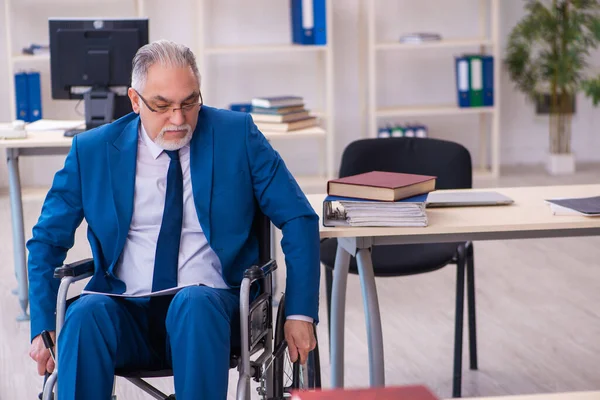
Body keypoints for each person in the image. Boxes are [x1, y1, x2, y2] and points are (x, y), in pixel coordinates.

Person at [26, 39, 320, 399]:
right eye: (162, 106)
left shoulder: (237, 135)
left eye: (189, 102)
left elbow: (299, 217)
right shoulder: (92, 150)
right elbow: (46, 241)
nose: (179, 119)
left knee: (193, 304)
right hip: (124, 311)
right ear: (135, 101)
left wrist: (300, 313)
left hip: (211, 310)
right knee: (84, 315)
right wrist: (42, 323)